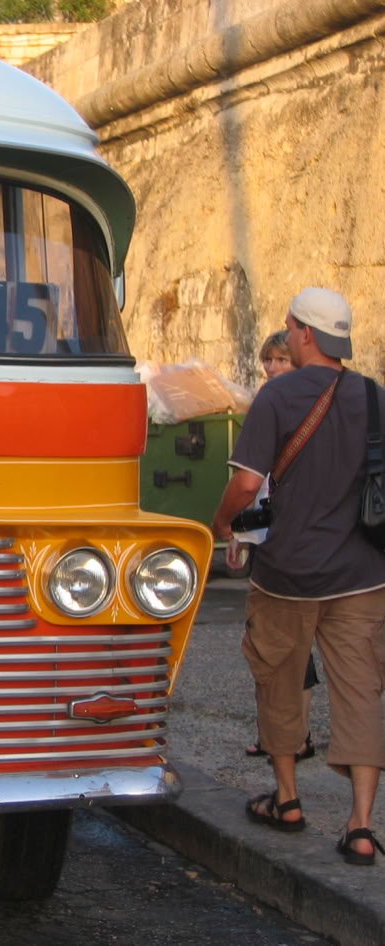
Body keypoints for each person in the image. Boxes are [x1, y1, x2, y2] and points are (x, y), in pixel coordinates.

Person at [211, 287, 385, 866]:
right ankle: (361, 825)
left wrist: (222, 525)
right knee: (361, 692)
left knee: (279, 680)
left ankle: (287, 799)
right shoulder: (375, 397)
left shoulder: (279, 395)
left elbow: (245, 485)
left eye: (289, 327)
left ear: (306, 334)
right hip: (362, 574)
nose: (286, 335)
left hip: (287, 573)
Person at [241, 329, 317, 762]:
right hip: (266, 532)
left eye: (281, 360)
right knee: (265, 641)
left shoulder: (298, 407)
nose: (272, 368)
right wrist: (242, 534)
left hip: (293, 536)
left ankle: (296, 737)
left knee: (293, 644)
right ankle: (276, 735)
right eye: (268, 360)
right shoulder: (266, 402)